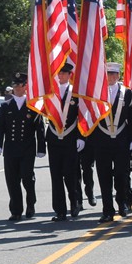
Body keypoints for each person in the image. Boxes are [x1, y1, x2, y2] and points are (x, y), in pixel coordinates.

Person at [0, 72, 45, 221]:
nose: (16, 87)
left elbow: (39, 128)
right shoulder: (6, 106)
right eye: (14, 85)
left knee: (27, 178)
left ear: (25, 86)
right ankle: (16, 210)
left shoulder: (33, 106)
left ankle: (30, 204)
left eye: (19, 85)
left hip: (27, 148)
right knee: (12, 180)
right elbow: (0, 128)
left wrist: (41, 148)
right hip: (10, 148)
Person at [91, 62, 132, 223]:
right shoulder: (97, 93)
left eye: (113, 74)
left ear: (118, 76)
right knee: (104, 177)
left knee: (121, 175)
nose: (110, 77)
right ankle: (107, 210)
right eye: (108, 74)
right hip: (102, 140)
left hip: (121, 140)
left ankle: (122, 202)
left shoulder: (128, 93)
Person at [45, 63, 82, 221]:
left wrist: (82, 137)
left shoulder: (76, 93)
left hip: (71, 137)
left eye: (64, 73)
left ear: (69, 75)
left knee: (70, 174)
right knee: (56, 175)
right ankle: (60, 210)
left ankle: (75, 203)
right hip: (54, 137)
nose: (61, 76)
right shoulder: (50, 92)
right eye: (59, 73)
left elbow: (82, 116)